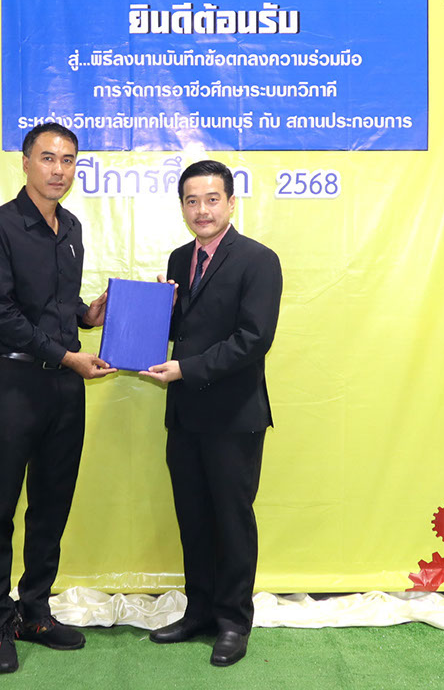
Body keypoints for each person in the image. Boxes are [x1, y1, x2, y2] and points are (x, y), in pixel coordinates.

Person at [0, 123, 116, 674]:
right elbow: (0, 313)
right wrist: (67, 355)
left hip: (64, 387)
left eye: (69, 160)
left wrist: (87, 315)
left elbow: (57, 303)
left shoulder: (71, 227)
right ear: (26, 162)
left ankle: (35, 611)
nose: (59, 169)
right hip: (14, 383)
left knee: (52, 503)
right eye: (48, 158)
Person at [140, 159, 282, 667]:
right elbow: (186, 328)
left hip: (233, 417)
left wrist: (186, 369)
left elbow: (253, 339)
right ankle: (198, 611)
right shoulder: (180, 258)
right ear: (182, 206)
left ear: (231, 202)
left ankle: (233, 621)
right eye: (192, 200)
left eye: (212, 199)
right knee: (193, 518)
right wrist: (160, 309)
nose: (202, 210)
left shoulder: (259, 260)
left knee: (231, 521)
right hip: (185, 415)